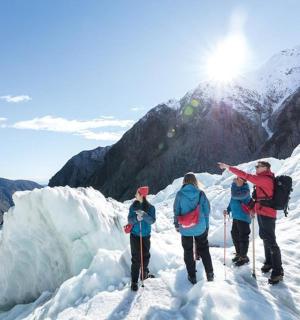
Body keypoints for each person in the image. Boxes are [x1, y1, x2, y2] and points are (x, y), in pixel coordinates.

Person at [218, 161, 284, 284]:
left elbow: (246, 176)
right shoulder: (263, 179)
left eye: (258, 167)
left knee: (271, 241)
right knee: (265, 237)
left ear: (266, 168)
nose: (256, 168)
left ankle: (278, 271)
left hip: (267, 214)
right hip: (262, 212)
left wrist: (228, 167)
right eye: (256, 166)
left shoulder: (265, 179)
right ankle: (269, 262)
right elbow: (259, 198)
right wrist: (253, 209)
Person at [174, 172, 214, 284]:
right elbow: (207, 211)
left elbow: (176, 211)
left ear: (184, 182)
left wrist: (176, 225)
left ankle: (192, 276)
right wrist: (206, 226)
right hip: (200, 227)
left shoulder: (180, 194)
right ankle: (210, 274)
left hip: (185, 228)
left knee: (188, 251)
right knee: (204, 249)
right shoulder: (201, 194)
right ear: (195, 181)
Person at [127, 186, 156, 291]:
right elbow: (130, 220)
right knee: (136, 259)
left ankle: (144, 274)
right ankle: (134, 282)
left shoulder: (151, 208)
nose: (135, 195)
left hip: (145, 236)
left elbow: (152, 221)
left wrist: (144, 215)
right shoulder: (133, 207)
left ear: (141, 195)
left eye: (137, 193)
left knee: (146, 256)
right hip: (135, 235)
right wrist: (136, 218)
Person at [224, 177, 251, 266]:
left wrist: (233, 185)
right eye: (236, 179)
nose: (236, 180)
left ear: (244, 181)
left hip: (243, 217)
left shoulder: (245, 190)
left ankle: (243, 257)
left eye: (238, 179)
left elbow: (235, 196)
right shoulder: (236, 190)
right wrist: (228, 210)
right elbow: (232, 201)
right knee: (235, 234)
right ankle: (239, 253)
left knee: (243, 236)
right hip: (236, 216)